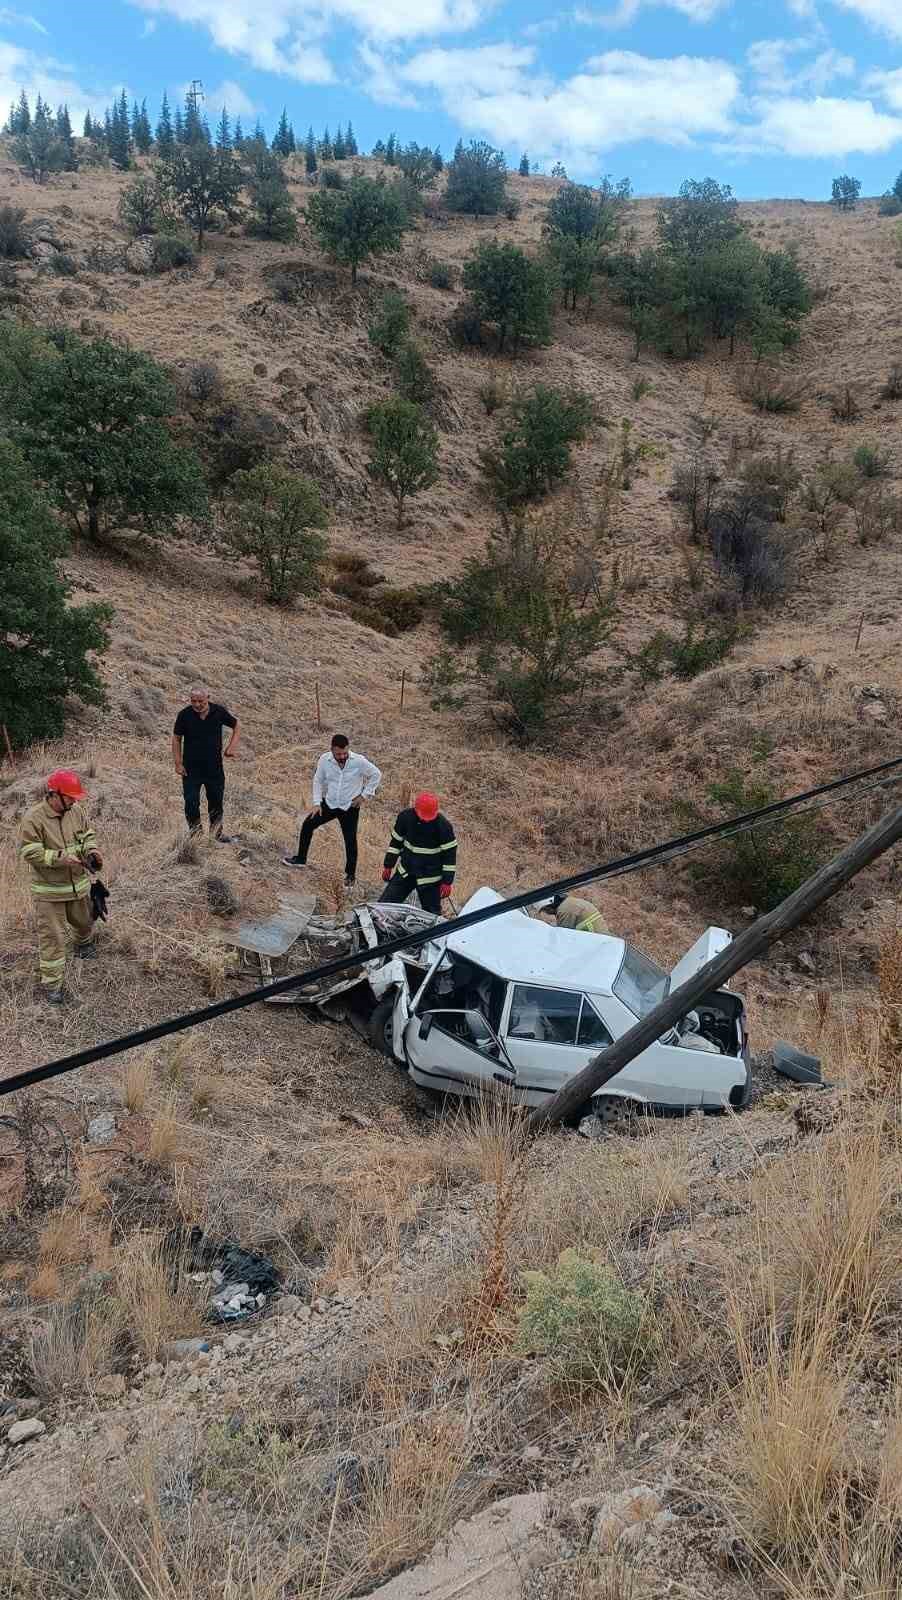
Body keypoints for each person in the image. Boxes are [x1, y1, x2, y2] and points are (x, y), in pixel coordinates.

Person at [18, 769, 103, 1005]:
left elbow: (87, 834)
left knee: (85, 921)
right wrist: (58, 857)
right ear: (55, 795)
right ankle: (52, 985)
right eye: (70, 797)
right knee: (52, 938)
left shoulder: (75, 811)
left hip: (78, 885)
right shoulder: (33, 818)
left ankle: (83, 945)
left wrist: (93, 851)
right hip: (49, 892)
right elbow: (28, 851)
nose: (75, 801)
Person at [283, 734, 381, 887]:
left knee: (350, 841)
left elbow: (376, 774)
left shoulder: (359, 761)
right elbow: (318, 780)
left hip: (350, 807)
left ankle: (350, 876)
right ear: (332, 750)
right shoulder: (324, 760)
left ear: (348, 749)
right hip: (329, 803)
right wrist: (316, 803)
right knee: (308, 825)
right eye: (338, 754)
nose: (342, 757)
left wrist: (364, 795)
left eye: (344, 753)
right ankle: (300, 859)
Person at [171, 686, 239, 842]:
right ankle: (195, 836)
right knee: (191, 803)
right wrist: (178, 763)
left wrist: (232, 747)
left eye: (200, 701)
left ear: (208, 697)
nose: (196, 704)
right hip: (190, 769)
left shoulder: (219, 712)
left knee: (216, 803)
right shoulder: (184, 715)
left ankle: (217, 835)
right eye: (193, 701)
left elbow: (237, 725)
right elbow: (176, 738)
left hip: (214, 769)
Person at [380, 792, 456, 914]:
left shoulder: (443, 826)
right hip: (406, 872)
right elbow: (396, 844)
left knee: (431, 916)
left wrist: (447, 882)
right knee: (383, 908)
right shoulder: (405, 818)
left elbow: (450, 856)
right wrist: (388, 865)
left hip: (430, 878)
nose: (426, 820)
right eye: (423, 816)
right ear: (416, 809)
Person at [544, 893, 608, 934]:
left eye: (545, 909)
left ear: (549, 905)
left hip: (595, 941)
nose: (546, 912)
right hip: (601, 936)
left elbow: (563, 935)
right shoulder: (570, 902)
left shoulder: (564, 910)